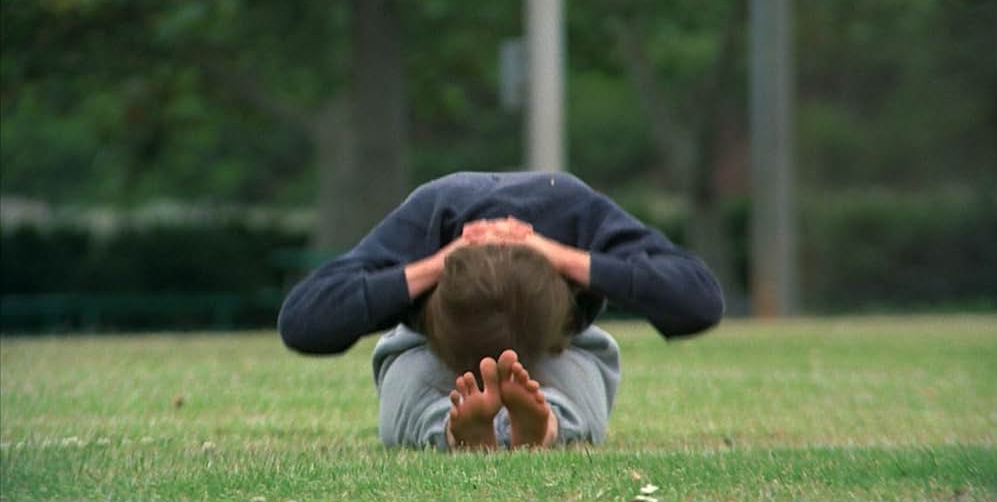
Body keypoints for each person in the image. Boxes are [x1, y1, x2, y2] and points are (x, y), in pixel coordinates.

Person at [278, 171, 724, 450]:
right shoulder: (432, 217)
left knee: (574, 375)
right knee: (412, 376)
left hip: (559, 348)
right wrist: (438, 264)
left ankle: (475, 434)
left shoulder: (571, 211)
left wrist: (562, 257)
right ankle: (534, 429)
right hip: (427, 347)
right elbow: (302, 322)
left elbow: (699, 301)